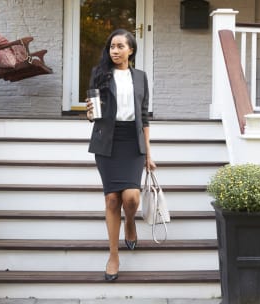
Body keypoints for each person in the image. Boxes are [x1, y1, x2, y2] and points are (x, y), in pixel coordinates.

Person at [86, 29, 156, 282]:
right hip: (108, 141)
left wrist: (148, 153)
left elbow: (145, 116)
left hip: (132, 141)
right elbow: (94, 111)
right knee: (112, 200)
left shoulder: (140, 77)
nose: (114, 51)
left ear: (131, 50)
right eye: (111, 47)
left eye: (119, 46)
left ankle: (130, 222)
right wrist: (90, 112)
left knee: (131, 197)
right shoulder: (100, 74)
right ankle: (113, 256)